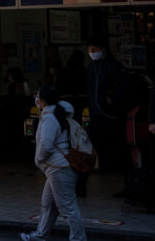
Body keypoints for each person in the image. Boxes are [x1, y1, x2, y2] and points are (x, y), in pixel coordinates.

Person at [19, 86, 87, 241]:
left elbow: (46, 145)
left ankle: (79, 238)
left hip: (59, 168)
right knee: (48, 204)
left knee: (67, 207)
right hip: (58, 168)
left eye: (38, 95)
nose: (35, 98)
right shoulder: (58, 112)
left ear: (43, 100)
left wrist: (39, 159)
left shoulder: (50, 118)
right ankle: (41, 234)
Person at [80, 39, 128, 198]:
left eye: (94, 49)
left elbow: (124, 85)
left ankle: (131, 185)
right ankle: (80, 186)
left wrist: (112, 99)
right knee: (88, 149)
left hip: (111, 115)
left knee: (120, 150)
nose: (91, 52)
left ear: (103, 49)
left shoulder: (113, 66)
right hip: (96, 115)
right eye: (90, 49)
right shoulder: (91, 68)